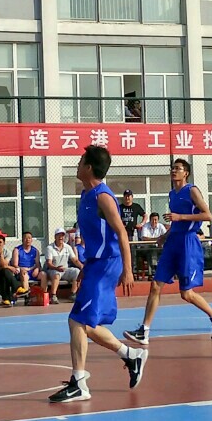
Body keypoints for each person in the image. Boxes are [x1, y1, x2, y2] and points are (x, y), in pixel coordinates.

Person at [50, 145, 147, 402]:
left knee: (78, 321)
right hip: (96, 264)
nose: (77, 164)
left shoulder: (103, 197)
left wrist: (128, 270)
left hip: (108, 264)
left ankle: (79, 383)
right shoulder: (86, 194)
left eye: (81, 160)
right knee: (84, 324)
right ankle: (131, 355)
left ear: (89, 167)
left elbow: (122, 233)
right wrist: (86, 268)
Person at [122, 158, 212, 345]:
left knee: (186, 294)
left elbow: (207, 215)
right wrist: (165, 235)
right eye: (172, 168)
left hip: (188, 242)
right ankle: (144, 330)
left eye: (178, 168)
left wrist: (180, 216)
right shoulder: (172, 194)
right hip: (173, 242)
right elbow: (176, 222)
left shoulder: (192, 190)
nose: (173, 170)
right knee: (155, 285)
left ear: (186, 173)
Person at [44, 229, 80, 301]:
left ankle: (73, 294)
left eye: (62, 235)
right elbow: (49, 263)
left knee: (77, 271)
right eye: (59, 235)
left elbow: (75, 260)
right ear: (55, 237)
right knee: (56, 274)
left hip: (65, 270)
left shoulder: (68, 247)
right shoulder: (49, 248)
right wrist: (57, 268)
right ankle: (53, 296)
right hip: (53, 270)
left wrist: (82, 267)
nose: (61, 237)